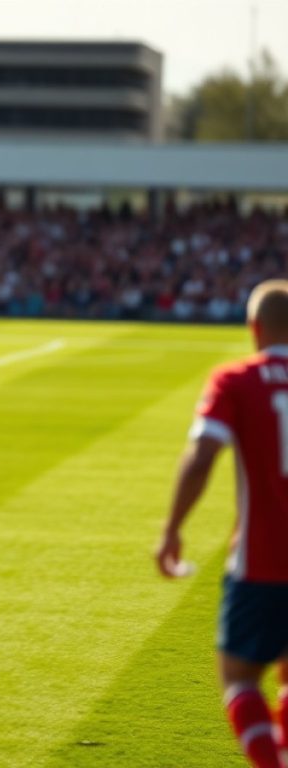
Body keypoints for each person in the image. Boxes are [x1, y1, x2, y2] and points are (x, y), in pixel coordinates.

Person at [156, 279, 288, 768]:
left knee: (239, 678)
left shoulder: (237, 379)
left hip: (260, 563)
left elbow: (201, 455)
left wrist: (172, 529)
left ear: (254, 329)